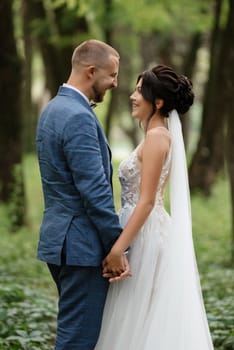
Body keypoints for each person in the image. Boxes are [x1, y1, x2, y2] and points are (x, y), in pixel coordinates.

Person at [95, 64, 214, 349]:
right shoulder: (155, 136)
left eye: (140, 91)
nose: (133, 96)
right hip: (141, 228)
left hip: (144, 235)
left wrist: (117, 249)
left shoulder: (157, 138)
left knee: (138, 320)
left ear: (158, 102)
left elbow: (147, 201)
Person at [36, 39, 129, 350]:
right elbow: (94, 190)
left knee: (75, 331)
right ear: (91, 71)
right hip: (81, 247)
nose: (116, 83)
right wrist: (117, 248)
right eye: (112, 75)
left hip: (60, 241)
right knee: (77, 341)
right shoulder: (77, 117)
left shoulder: (53, 109)